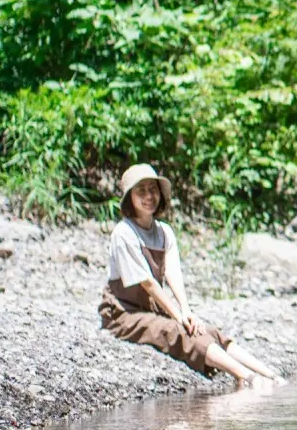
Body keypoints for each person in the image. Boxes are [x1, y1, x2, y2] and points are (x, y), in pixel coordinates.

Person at [100, 164, 287, 388]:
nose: (149, 196)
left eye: (153, 189)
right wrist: (179, 317)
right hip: (123, 313)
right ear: (129, 198)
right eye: (141, 191)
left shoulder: (164, 231)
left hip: (150, 307)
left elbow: (172, 272)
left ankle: (270, 375)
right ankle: (248, 378)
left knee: (206, 330)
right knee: (177, 331)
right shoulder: (124, 233)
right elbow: (148, 283)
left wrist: (186, 310)